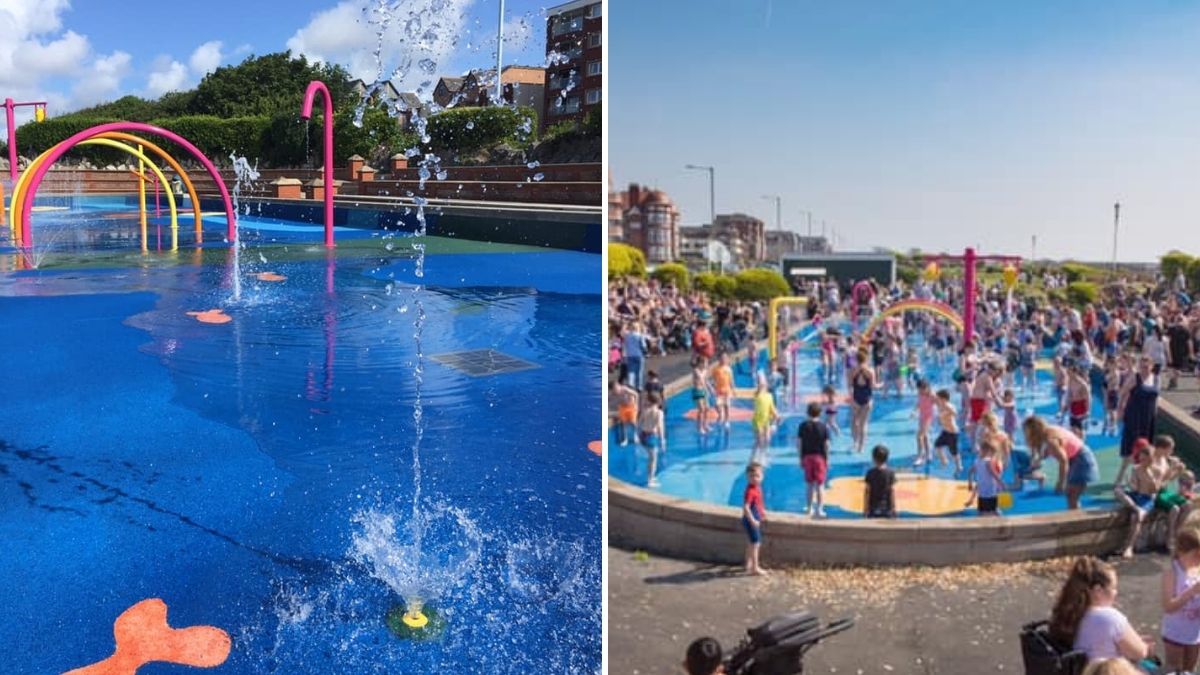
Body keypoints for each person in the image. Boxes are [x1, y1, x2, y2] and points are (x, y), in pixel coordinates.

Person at [1049, 557, 1153, 665]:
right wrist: (1144, 646)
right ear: (1098, 590)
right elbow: (1140, 653)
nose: (1116, 593)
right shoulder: (1109, 617)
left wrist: (1128, 639)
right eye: (1113, 588)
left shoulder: (1066, 613)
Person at [1023, 416, 1099, 510]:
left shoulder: (1051, 440)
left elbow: (1063, 460)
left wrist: (1060, 482)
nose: (1026, 436)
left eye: (1027, 433)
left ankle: (1076, 520)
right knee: (1071, 496)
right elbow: (1053, 450)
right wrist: (1040, 458)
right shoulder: (1048, 431)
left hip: (1081, 459)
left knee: (1072, 495)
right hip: (1077, 457)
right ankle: (1074, 518)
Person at [1161, 528, 1200, 673]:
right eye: (1196, 555)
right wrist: (1191, 592)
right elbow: (1168, 606)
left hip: (1195, 633)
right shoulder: (1172, 573)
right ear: (1181, 552)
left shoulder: (1198, 570)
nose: (1199, 559)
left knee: (1189, 671)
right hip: (1175, 632)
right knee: (1174, 670)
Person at [1116, 356, 1159, 487]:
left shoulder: (1156, 378)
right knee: (1132, 446)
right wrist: (1120, 410)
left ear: (1151, 366)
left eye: (1146, 367)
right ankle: (1120, 477)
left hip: (1148, 417)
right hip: (1135, 416)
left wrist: (1155, 413)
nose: (1143, 370)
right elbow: (1122, 393)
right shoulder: (1135, 378)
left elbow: (1157, 398)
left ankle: (1138, 478)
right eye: (1141, 367)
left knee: (1146, 448)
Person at [1115, 439, 1157, 558]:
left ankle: (1129, 546)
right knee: (1117, 491)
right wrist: (1133, 482)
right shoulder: (1135, 468)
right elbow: (1131, 486)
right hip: (1135, 496)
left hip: (1146, 499)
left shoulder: (1153, 472)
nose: (1142, 462)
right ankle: (1135, 508)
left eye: (1146, 460)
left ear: (1151, 460)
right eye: (1141, 459)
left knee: (1135, 518)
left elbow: (1154, 492)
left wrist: (1151, 481)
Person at [797, 402, 830, 518]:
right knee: (820, 485)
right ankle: (820, 509)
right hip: (819, 457)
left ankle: (809, 507)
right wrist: (827, 459)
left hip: (807, 457)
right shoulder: (823, 427)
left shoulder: (802, 426)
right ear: (820, 413)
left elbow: (799, 444)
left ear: (807, 412)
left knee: (809, 484)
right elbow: (826, 445)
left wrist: (800, 457)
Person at [965, 437, 1004, 516]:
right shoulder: (988, 462)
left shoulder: (977, 461)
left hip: (983, 493)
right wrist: (1001, 483)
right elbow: (993, 474)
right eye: (993, 453)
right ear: (989, 451)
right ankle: (1002, 522)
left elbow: (970, 472)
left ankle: (979, 525)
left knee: (981, 512)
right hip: (990, 492)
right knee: (994, 510)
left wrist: (970, 483)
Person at [847, 349, 876, 454]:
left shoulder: (852, 370)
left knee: (854, 422)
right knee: (864, 424)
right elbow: (873, 386)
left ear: (856, 359)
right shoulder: (870, 371)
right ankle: (861, 447)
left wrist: (851, 399)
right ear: (866, 359)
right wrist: (880, 385)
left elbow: (850, 386)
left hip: (856, 398)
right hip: (867, 399)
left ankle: (855, 442)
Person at [742, 462, 768, 576]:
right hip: (751, 519)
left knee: (751, 542)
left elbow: (758, 503)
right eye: (751, 476)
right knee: (756, 543)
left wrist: (763, 513)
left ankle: (748, 563)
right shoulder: (751, 490)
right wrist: (753, 520)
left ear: (762, 476)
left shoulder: (757, 488)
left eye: (757, 476)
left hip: (754, 518)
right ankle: (755, 567)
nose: (754, 478)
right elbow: (746, 507)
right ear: (747, 477)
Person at [639, 392, 666, 488]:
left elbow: (640, 423)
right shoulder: (659, 413)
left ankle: (651, 476)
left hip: (643, 435)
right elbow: (660, 427)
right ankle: (650, 480)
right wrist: (662, 440)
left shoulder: (645, 410)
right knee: (653, 459)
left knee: (651, 457)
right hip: (651, 436)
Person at [751, 374, 780, 461]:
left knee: (767, 438)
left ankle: (764, 453)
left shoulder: (769, 396)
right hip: (757, 421)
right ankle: (754, 456)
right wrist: (760, 380)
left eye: (764, 385)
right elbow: (758, 391)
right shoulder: (757, 395)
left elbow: (772, 408)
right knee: (759, 440)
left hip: (766, 420)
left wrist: (776, 415)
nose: (763, 386)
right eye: (761, 385)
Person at [863, 444, 896, 518]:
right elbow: (892, 491)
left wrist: (865, 508)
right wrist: (893, 508)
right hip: (887, 508)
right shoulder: (890, 473)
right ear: (887, 458)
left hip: (873, 508)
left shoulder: (870, 473)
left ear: (873, 458)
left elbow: (867, 491)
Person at [933, 389, 962, 473]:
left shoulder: (948, 405)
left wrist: (947, 412)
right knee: (937, 445)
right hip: (945, 431)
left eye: (938, 398)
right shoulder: (940, 405)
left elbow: (955, 413)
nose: (936, 399)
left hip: (952, 432)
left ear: (943, 399)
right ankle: (944, 461)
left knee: (954, 451)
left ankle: (959, 466)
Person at [1063, 364, 1092, 438]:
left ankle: (1082, 443)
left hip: (1081, 407)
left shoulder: (1082, 384)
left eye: (1069, 372)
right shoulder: (1070, 381)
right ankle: (1075, 442)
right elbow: (1069, 394)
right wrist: (1066, 405)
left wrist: (1088, 411)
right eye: (1067, 372)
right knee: (1072, 427)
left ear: (1075, 372)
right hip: (1073, 407)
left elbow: (1088, 398)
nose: (1068, 373)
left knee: (1080, 428)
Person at [913, 379, 935, 466]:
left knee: (919, 436)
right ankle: (929, 454)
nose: (920, 391)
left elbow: (939, 403)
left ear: (927, 388)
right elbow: (919, 403)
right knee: (925, 436)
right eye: (919, 389)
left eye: (922, 389)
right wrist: (914, 411)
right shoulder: (920, 394)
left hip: (928, 417)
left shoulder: (932, 395)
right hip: (922, 417)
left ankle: (920, 457)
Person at [611, 378, 639, 447]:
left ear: (618, 385)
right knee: (624, 424)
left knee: (633, 422)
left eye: (616, 387)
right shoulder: (613, 392)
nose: (616, 390)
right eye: (614, 389)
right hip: (622, 408)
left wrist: (636, 404)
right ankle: (625, 439)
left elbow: (636, 394)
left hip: (631, 407)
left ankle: (635, 435)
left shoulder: (624, 389)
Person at [711, 353, 735, 431]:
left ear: (727, 359)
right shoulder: (715, 369)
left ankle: (727, 421)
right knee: (717, 405)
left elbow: (731, 380)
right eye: (721, 358)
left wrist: (733, 389)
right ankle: (720, 414)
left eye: (725, 358)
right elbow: (713, 379)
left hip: (727, 390)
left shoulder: (728, 369)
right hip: (718, 391)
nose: (723, 360)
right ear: (719, 359)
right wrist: (713, 386)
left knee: (727, 406)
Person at [691, 357, 714, 436]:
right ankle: (700, 427)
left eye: (707, 363)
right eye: (704, 363)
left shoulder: (705, 370)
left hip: (704, 390)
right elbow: (701, 379)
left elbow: (706, 380)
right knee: (701, 409)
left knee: (707, 408)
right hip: (698, 391)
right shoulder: (696, 370)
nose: (706, 365)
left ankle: (706, 424)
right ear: (700, 363)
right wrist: (707, 390)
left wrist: (711, 388)